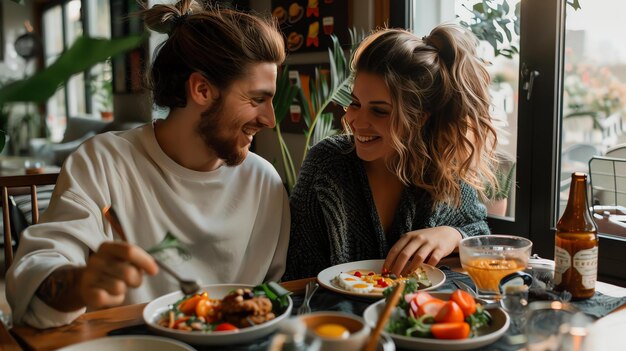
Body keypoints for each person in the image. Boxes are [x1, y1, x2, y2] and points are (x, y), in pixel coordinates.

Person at [7, 0, 290, 328]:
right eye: (257, 99)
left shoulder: (264, 183)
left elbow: (273, 299)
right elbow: (35, 273)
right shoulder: (103, 162)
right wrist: (80, 282)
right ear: (201, 89)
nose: (270, 118)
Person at [284, 25, 498, 281]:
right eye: (355, 103)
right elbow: (296, 274)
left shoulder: (443, 171)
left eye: (380, 111)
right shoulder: (326, 165)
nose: (357, 122)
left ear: (420, 117)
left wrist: (453, 236)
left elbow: (480, 235)